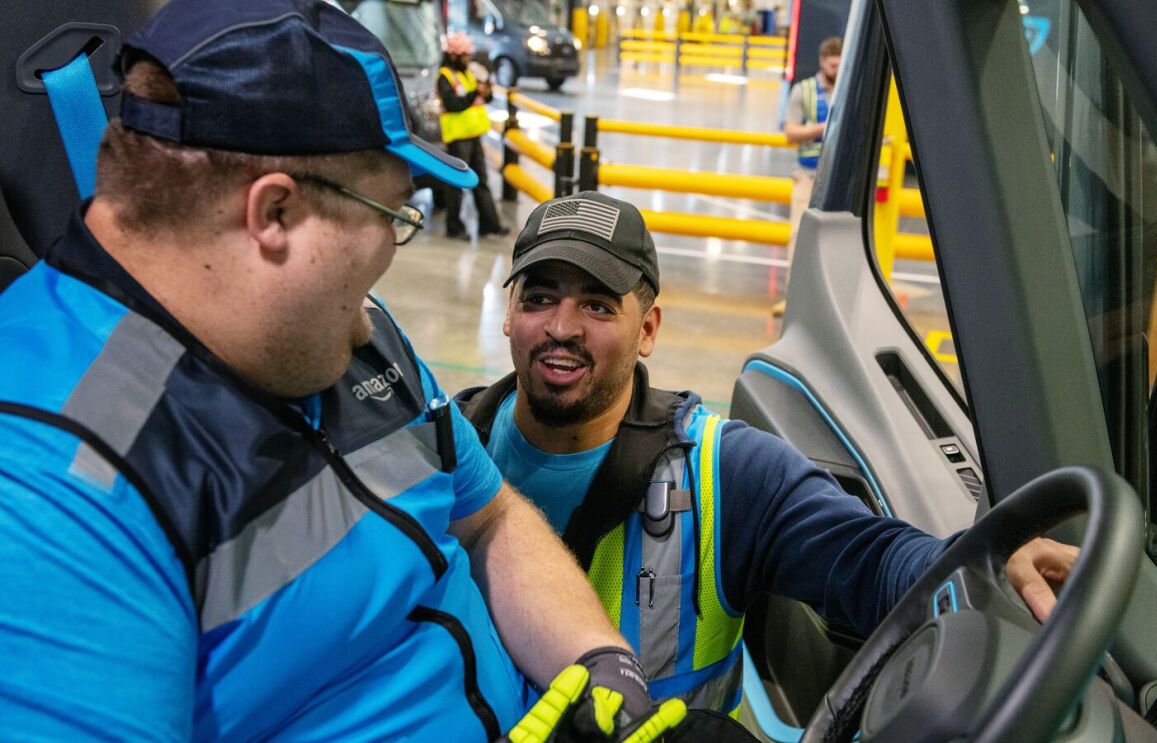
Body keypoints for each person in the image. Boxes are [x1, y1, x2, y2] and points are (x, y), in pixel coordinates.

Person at [0, 4, 678, 740]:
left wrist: (602, 661)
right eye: (391, 215)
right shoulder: (54, 488)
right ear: (277, 213)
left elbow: (490, 519)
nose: (376, 298)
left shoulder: (346, 330)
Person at [456, 191, 1079, 715]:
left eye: (596, 304)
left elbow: (871, 560)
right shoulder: (439, 452)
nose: (562, 326)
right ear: (509, 314)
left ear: (647, 330)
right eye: (539, 297)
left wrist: (979, 566)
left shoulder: (724, 473)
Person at [775, 36, 843, 316]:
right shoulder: (803, 91)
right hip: (807, 176)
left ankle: (832, 299)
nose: (836, 71)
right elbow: (791, 132)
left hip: (838, 177)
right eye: (832, 65)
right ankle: (795, 299)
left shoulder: (849, 90)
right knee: (799, 236)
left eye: (840, 65)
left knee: (837, 238)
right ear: (822, 62)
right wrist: (823, 128)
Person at [437, 31, 508, 239]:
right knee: (456, 184)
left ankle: (490, 225)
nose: (469, 59)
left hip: (474, 135)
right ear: (453, 55)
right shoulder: (445, 76)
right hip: (458, 138)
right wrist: (475, 93)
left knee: (481, 181)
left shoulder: (468, 73)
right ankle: (454, 227)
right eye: (465, 55)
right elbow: (453, 104)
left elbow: (480, 97)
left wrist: (486, 93)